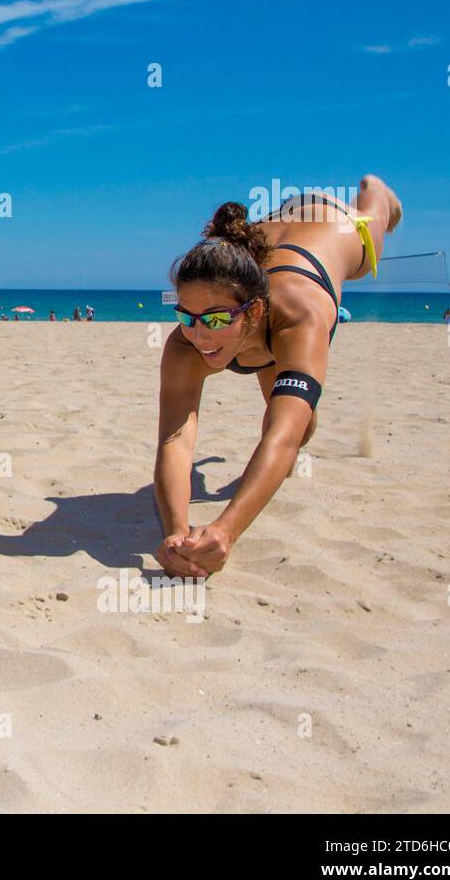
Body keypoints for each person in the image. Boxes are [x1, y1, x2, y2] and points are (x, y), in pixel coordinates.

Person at [154, 175, 402, 578]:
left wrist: (225, 531)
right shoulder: (186, 344)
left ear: (251, 313)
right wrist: (177, 535)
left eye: (215, 319)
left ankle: (375, 190)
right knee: (294, 422)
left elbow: (280, 437)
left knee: (295, 428)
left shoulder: (299, 318)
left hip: (332, 224)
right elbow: (175, 440)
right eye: (186, 316)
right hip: (271, 226)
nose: (199, 334)